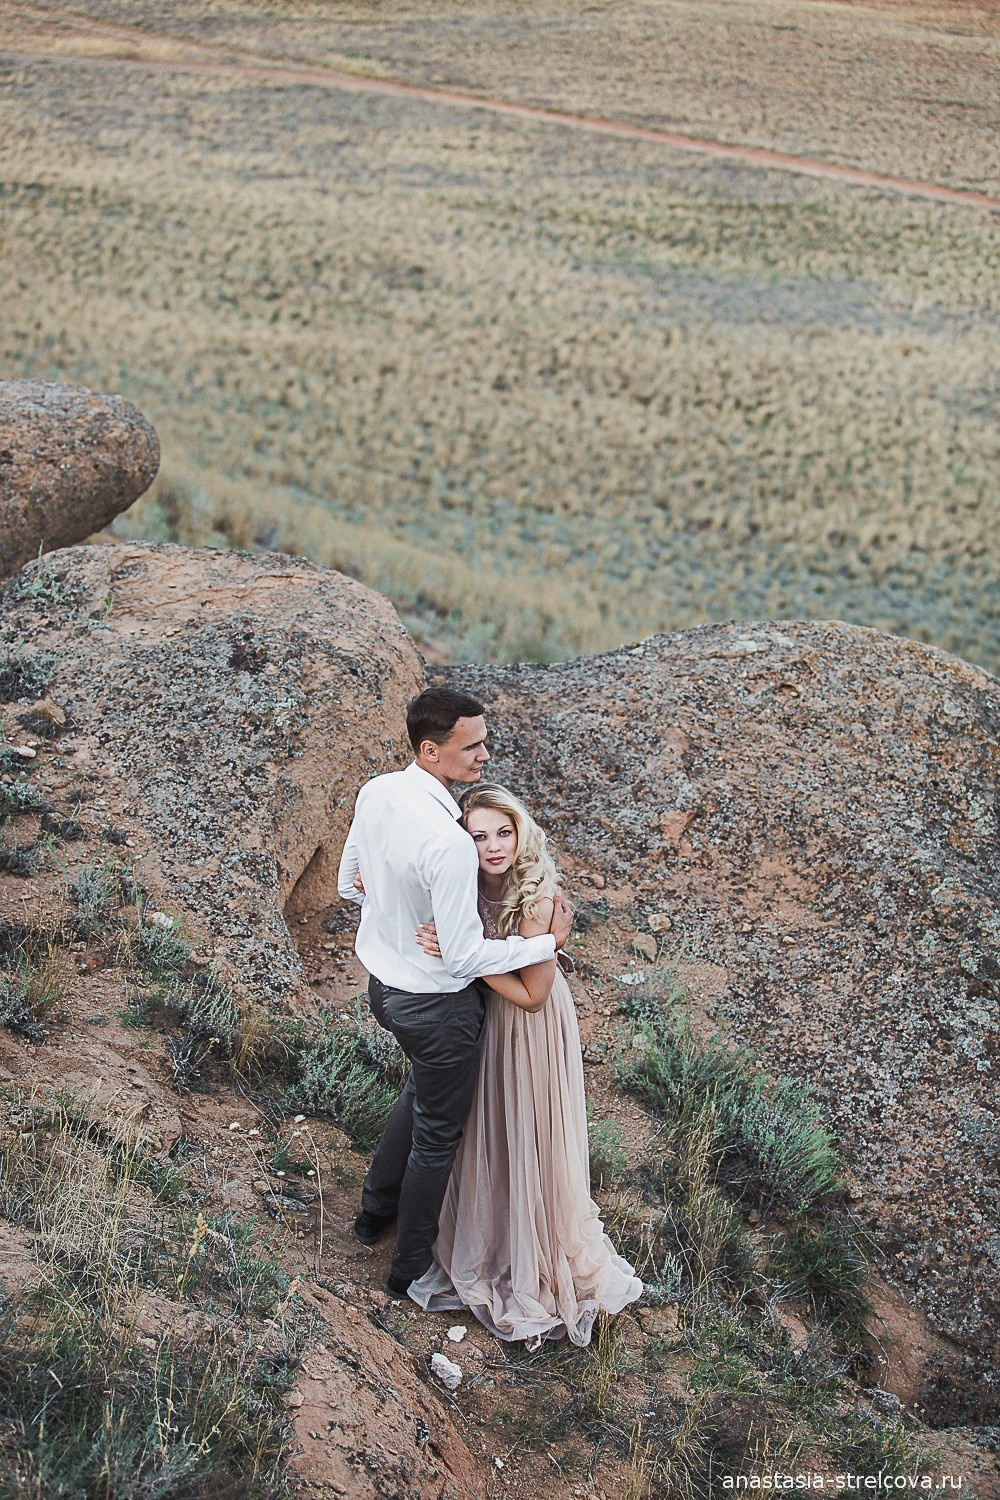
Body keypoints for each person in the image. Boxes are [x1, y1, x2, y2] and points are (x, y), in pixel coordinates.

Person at [336, 687, 574, 1298]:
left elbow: (350, 884)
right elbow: (465, 956)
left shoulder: (377, 793)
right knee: (439, 1137)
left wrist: (397, 918)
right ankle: (405, 1271)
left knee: (417, 1094)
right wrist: (544, 947)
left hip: (384, 989)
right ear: (431, 749)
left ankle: (372, 1214)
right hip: (437, 1007)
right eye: (473, 746)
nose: (485, 755)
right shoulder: (447, 840)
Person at [407, 783, 642, 1347]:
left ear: (520, 833)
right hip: (484, 1018)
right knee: (485, 1128)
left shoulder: (537, 899)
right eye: (479, 834)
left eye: (503, 832)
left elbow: (532, 996)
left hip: (526, 1026)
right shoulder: (461, 881)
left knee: (524, 1129)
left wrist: (461, 955)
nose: (492, 846)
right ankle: (485, 1233)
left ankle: (529, 1252)